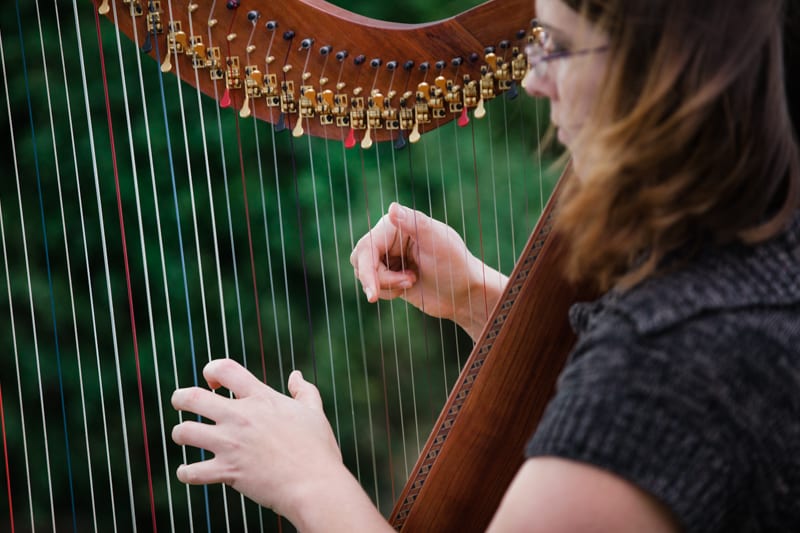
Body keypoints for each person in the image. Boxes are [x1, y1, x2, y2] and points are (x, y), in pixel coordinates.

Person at [170, 0, 800, 530]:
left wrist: (305, 478)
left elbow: (652, 398)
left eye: (558, 46)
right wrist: (474, 295)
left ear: (657, 73)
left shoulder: (662, 367)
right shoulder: (765, 243)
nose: (531, 79)